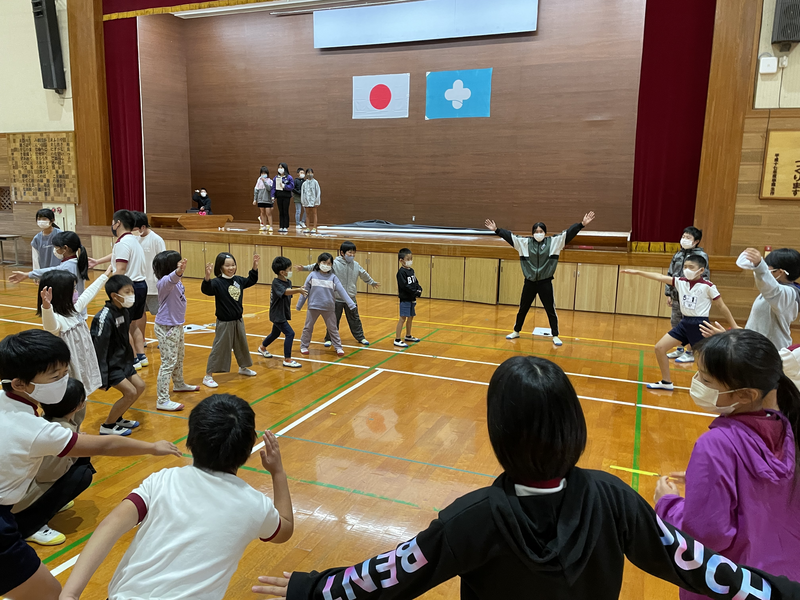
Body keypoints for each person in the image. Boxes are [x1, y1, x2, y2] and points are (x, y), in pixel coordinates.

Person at [250, 355, 800, 600]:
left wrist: (312, 588)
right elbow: (698, 565)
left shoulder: (474, 516)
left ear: (499, 433)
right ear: (573, 423)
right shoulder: (612, 497)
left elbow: (394, 575)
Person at [0, 329, 180, 600]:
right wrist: (152, 447)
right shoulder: (36, 430)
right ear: (20, 384)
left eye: (65, 373)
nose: (64, 382)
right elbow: (106, 445)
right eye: (55, 377)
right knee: (50, 595)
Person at [59, 394, 293, 600]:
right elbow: (285, 529)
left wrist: (70, 593)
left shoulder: (163, 480)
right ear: (248, 447)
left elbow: (110, 525)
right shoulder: (254, 504)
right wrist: (278, 473)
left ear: (192, 439)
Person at [654, 330, 800, 600]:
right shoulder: (789, 428)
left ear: (745, 395)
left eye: (706, 380)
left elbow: (706, 537)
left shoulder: (715, 445)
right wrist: (710, 481)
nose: (697, 383)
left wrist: (668, 505)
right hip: (783, 584)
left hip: (734, 585)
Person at [622, 255, 737, 390]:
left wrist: (734, 325)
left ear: (701, 270)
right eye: (685, 267)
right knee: (659, 348)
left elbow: (721, 306)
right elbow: (659, 277)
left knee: (705, 359)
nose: (687, 270)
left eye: (691, 267)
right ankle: (666, 382)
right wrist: (638, 272)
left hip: (700, 325)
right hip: (684, 323)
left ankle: (719, 386)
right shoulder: (680, 282)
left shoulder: (708, 286)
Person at [485, 211, 596, 346]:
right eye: (536, 231)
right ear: (532, 233)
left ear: (545, 232)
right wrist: (496, 230)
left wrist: (582, 224)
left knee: (550, 309)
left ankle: (555, 335)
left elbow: (568, 233)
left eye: (541, 231)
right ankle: (516, 331)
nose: (539, 233)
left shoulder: (554, 242)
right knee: (523, 309)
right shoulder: (524, 243)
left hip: (545, 283)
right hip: (529, 282)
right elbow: (510, 236)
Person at [11, 378, 95, 546]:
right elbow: (47, 475)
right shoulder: (60, 432)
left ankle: (49, 505)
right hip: (19, 499)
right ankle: (31, 526)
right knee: (82, 474)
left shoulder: (46, 418)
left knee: (81, 460)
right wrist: (76, 453)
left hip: (16, 489)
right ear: (79, 405)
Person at [38, 266, 113, 413]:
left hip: (82, 364)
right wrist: (46, 307)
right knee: (69, 406)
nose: (76, 292)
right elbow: (50, 327)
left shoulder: (74, 310)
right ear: (62, 293)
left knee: (80, 403)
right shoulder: (57, 320)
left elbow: (89, 293)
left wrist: (105, 274)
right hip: (70, 370)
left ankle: (74, 425)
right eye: (73, 289)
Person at [88, 210, 149, 370]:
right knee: (134, 324)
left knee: (124, 326)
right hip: (141, 285)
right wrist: (98, 262)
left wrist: (112, 288)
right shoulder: (133, 240)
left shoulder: (122, 243)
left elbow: (121, 268)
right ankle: (141, 356)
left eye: (113, 222)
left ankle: (132, 359)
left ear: (118, 223)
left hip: (127, 287)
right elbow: (117, 255)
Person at [89, 275, 147, 436]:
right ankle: (107, 426)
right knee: (130, 392)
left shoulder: (125, 312)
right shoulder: (104, 317)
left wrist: (131, 359)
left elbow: (125, 339)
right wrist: (101, 375)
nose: (131, 295)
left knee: (140, 387)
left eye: (132, 291)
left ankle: (117, 418)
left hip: (123, 361)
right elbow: (98, 348)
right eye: (127, 292)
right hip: (110, 365)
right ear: (115, 295)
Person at [295, 241, 379, 347]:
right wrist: (304, 268)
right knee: (333, 321)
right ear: (342, 253)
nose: (352, 255)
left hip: (350, 297)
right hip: (336, 298)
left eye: (354, 253)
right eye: (350, 252)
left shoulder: (356, 265)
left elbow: (363, 274)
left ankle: (360, 337)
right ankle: (328, 339)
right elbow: (316, 266)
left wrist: (372, 282)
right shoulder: (334, 263)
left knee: (355, 319)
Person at [201, 252, 260, 388]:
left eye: (233, 265)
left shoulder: (238, 280)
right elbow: (207, 290)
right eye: (227, 265)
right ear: (220, 267)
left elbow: (251, 280)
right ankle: (208, 376)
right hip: (224, 322)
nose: (231, 268)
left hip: (238, 320)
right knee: (219, 348)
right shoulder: (217, 283)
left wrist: (255, 267)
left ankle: (243, 367)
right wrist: (207, 277)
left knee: (241, 345)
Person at [152, 250, 199, 411]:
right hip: (166, 327)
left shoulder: (176, 282)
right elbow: (172, 278)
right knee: (168, 363)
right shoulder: (164, 283)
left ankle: (179, 384)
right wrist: (178, 271)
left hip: (176, 325)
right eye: (177, 263)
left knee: (178, 358)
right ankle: (162, 399)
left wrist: (178, 273)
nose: (181, 266)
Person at [9, 231, 91, 318]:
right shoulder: (76, 262)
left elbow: (52, 271)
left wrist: (28, 274)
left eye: (56, 248)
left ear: (65, 248)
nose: (55, 250)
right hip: (78, 310)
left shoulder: (68, 266)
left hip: (72, 312)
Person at [731, 247, 800, 350]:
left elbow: (771, 288)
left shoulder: (789, 294)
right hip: (756, 345)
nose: (767, 270)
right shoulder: (775, 291)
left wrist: (760, 266)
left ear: (780, 272)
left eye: (768, 268)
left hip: (770, 348)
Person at [295, 252, 356, 358]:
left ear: (331, 265)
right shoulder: (312, 275)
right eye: (324, 263)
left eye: (329, 263)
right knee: (308, 327)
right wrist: (299, 305)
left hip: (329, 308)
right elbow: (305, 291)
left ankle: (338, 347)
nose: (326, 265)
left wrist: (351, 304)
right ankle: (304, 346)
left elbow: (342, 292)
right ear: (319, 263)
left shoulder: (333, 278)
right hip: (313, 307)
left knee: (333, 329)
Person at [664, 227, 709, 361]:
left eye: (688, 237)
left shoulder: (701, 256)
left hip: (691, 297)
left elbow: (705, 277)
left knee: (690, 325)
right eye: (683, 236)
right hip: (677, 296)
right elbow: (670, 274)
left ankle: (689, 352)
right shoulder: (677, 255)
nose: (684, 239)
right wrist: (669, 293)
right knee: (676, 323)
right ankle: (679, 349)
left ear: (696, 241)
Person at [257, 256, 308, 368]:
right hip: (277, 314)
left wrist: (298, 289)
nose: (291, 271)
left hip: (283, 313)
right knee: (290, 333)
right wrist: (298, 290)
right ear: (282, 272)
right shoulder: (276, 283)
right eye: (289, 269)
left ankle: (262, 347)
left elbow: (288, 292)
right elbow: (285, 292)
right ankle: (287, 360)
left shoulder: (288, 282)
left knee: (275, 333)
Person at [134, 212, 166, 342]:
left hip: (154, 285)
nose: (133, 231)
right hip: (139, 283)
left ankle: (164, 339)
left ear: (143, 227)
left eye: (135, 228)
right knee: (140, 313)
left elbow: (163, 262)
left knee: (161, 313)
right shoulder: (134, 240)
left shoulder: (156, 240)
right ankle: (141, 339)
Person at [395, 248, 422, 348]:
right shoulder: (401, 273)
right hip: (405, 299)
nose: (410, 261)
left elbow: (415, 282)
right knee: (403, 318)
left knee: (411, 317)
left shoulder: (411, 271)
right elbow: (404, 286)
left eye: (411, 259)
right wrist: (414, 291)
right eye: (408, 259)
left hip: (412, 299)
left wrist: (419, 289)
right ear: (401, 260)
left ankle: (408, 335)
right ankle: (397, 339)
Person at [271, 163, 295, 233]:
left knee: (285, 211)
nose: (280, 169)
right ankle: (281, 226)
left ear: (285, 168)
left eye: (281, 167)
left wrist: (285, 186)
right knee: (280, 211)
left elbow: (292, 186)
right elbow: (273, 187)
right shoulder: (276, 178)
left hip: (286, 196)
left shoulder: (289, 177)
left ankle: (285, 226)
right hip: (279, 196)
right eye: (279, 167)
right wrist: (272, 196)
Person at [253, 166, 274, 232]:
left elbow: (269, 189)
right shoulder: (259, 180)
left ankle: (271, 226)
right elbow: (256, 190)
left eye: (265, 173)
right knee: (262, 212)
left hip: (267, 200)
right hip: (260, 199)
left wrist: (264, 182)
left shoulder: (270, 181)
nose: (263, 174)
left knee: (268, 213)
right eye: (262, 173)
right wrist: (255, 199)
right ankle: (264, 226)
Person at [300, 168, 321, 234]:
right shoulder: (304, 183)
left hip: (314, 201)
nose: (310, 174)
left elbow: (318, 192)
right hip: (306, 201)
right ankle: (307, 228)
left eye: (311, 173)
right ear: (306, 174)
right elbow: (302, 193)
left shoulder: (315, 182)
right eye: (308, 173)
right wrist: (303, 202)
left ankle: (314, 228)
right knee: (307, 215)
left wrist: (317, 201)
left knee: (314, 214)